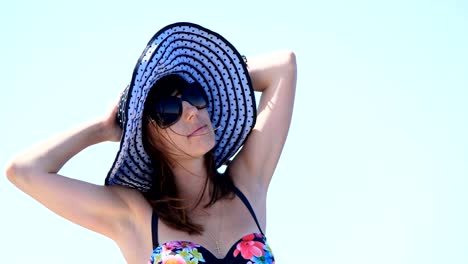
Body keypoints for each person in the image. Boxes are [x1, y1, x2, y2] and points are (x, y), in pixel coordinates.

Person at [6, 22, 296, 264]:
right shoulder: (135, 214)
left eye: (195, 96)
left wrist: (219, 76)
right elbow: (24, 171)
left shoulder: (246, 184)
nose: (192, 111)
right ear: (148, 137)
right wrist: (102, 128)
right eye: (169, 110)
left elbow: (283, 66)